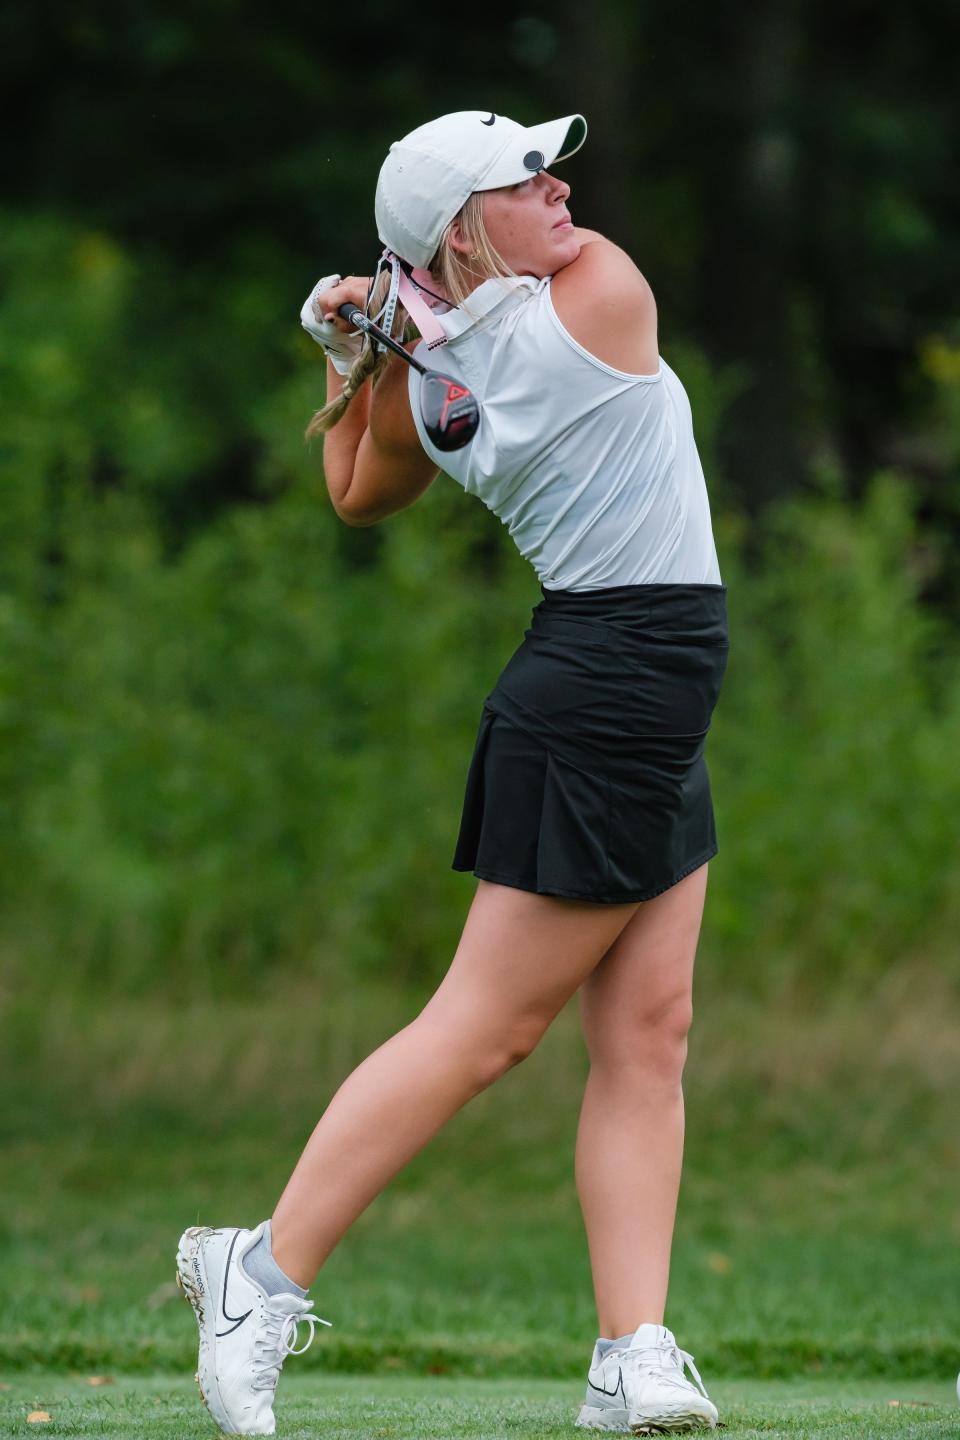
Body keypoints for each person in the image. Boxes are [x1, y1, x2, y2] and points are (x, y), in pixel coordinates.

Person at [175, 109, 729, 1436]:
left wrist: (360, 346)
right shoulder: (593, 294)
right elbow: (372, 483)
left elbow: (359, 487)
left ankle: (631, 1352)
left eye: (552, 171)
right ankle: (256, 1271)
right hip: (604, 689)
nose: (562, 190)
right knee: (486, 1029)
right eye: (523, 181)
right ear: (465, 230)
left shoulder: (435, 378)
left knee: (648, 1037)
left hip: (637, 699)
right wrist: (384, 335)